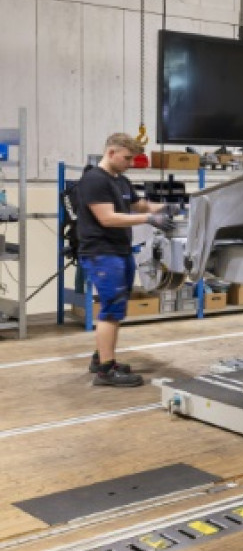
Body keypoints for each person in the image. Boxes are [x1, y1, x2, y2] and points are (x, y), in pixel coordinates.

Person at [76, 133, 174, 387]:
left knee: (116, 307)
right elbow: (107, 218)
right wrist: (149, 220)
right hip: (102, 252)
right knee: (111, 309)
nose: (130, 163)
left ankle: (102, 358)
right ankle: (106, 372)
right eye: (127, 158)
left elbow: (139, 205)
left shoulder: (121, 181)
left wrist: (164, 209)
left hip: (120, 251)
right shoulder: (94, 180)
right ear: (111, 152)